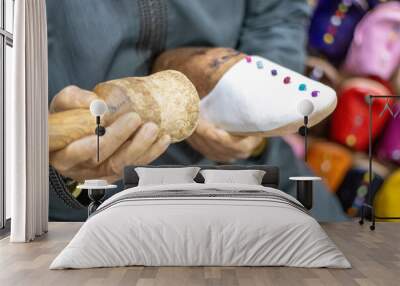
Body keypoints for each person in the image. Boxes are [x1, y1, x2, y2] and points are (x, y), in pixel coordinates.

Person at [47, 0, 347, 222]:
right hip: (92, 204)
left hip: (248, 167)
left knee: (349, 256)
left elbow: (277, 14)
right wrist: (50, 172)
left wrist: (256, 111)